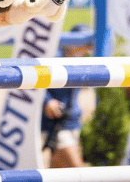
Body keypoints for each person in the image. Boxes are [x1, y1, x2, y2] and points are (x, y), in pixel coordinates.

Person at [41, 24, 93, 168]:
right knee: (78, 169)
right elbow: (37, 83)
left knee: (58, 170)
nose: (87, 47)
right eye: (84, 43)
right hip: (56, 123)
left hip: (72, 121)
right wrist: (48, 101)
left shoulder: (80, 61)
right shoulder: (54, 58)